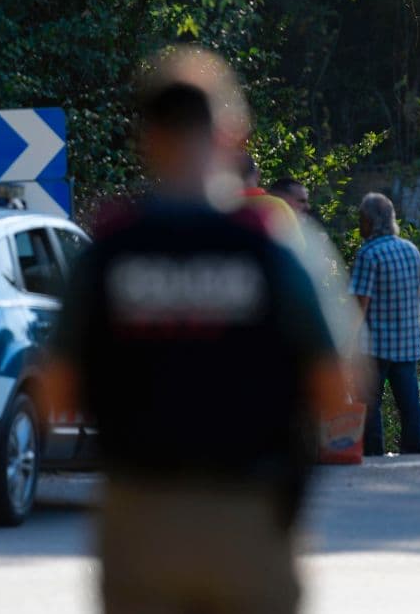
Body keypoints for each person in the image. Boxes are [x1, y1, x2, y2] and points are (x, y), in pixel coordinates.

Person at [45, 46, 349, 614]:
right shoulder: (274, 246)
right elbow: (335, 386)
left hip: (139, 514)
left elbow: (57, 392)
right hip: (251, 511)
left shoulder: (109, 248)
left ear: (146, 137)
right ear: (233, 132)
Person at [349, 192, 420, 455]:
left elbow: (360, 304)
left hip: (375, 346)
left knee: (370, 404)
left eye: (361, 219)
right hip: (407, 343)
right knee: (410, 405)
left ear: (370, 221)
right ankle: (412, 453)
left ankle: (373, 455)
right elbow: (416, 294)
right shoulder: (411, 251)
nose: (360, 224)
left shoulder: (368, 254)